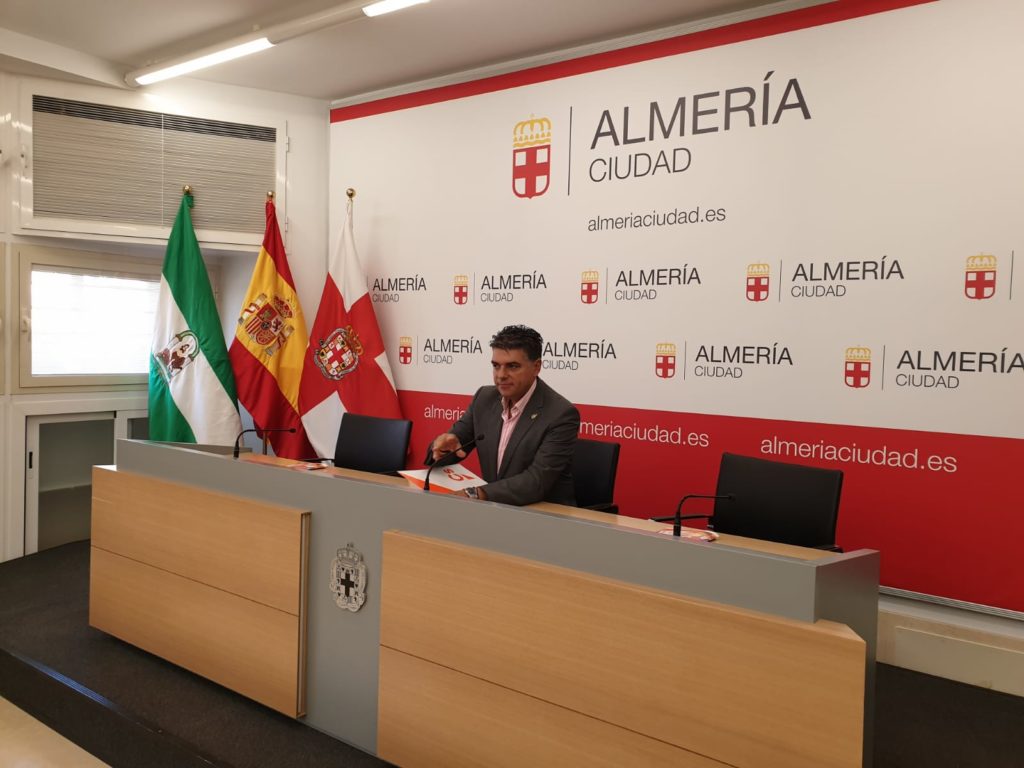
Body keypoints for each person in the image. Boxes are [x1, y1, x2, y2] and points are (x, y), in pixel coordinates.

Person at [429, 325, 579, 505]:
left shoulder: (560, 414)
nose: (501, 375)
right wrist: (440, 449)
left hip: (543, 513)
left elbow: (536, 481)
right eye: (496, 366)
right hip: (494, 509)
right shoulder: (484, 398)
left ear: (536, 367)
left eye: (512, 366)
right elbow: (454, 444)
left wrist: (476, 493)